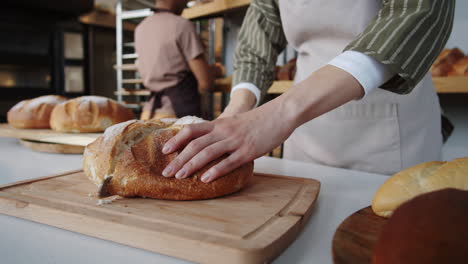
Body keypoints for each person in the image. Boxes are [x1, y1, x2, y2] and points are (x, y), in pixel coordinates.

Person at [160, 0, 455, 183]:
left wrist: (277, 115)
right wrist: (236, 111)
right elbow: (258, 36)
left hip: (389, 133)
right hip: (305, 136)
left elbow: (418, 13)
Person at [135, 0, 213, 120]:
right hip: (177, 116)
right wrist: (215, 71)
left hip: (149, 114)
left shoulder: (140, 27)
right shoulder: (182, 25)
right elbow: (206, 83)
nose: (186, 2)